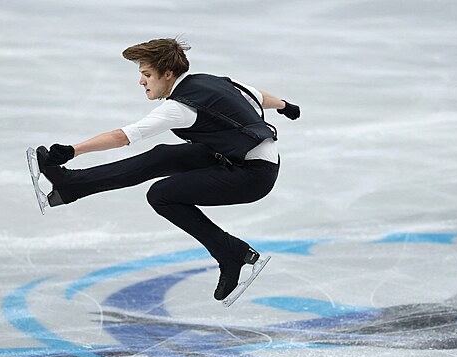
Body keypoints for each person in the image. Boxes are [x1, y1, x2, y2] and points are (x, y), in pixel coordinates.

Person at [35, 37, 300, 301]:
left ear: (168, 74)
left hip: (252, 175)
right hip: (238, 156)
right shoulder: (209, 81)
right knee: (161, 156)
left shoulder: (180, 107)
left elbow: (123, 136)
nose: (141, 82)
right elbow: (258, 97)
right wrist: (285, 106)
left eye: (148, 75)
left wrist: (73, 150)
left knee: (161, 195)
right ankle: (71, 185)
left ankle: (230, 253)